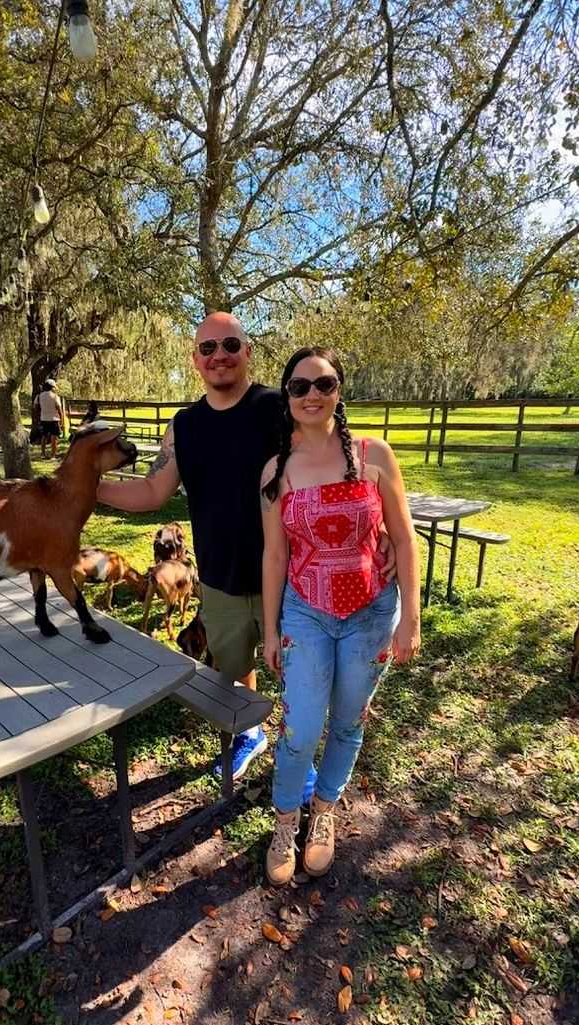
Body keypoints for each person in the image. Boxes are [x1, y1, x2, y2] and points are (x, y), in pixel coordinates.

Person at [97, 312, 396, 789]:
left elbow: (341, 467)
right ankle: (252, 736)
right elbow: (154, 491)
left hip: (295, 581)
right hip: (220, 579)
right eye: (208, 348)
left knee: (303, 682)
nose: (220, 356)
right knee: (236, 672)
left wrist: (382, 532)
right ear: (194, 359)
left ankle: (298, 758)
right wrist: (88, 489)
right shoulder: (184, 427)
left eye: (230, 345)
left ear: (248, 352)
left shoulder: (284, 406)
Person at [260, 347, 420, 886]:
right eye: (300, 386)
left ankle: (324, 811)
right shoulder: (276, 470)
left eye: (323, 384)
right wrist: (269, 631)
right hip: (305, 612)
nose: (312, 395)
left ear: (339, 390)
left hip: (371, 612)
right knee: (302, 724)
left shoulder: (374, 454)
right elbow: (275, 556)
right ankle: (287, 819)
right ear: (287, 396)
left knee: (348, 722)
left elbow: (403, 537)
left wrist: (410, 620)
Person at [34, 379, 64, 459]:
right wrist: (62, 420)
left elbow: (36, 408)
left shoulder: (39, 396)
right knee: (54, 438)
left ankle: (43, 454)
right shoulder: (55, 396)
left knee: (44, 437)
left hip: (43, 419)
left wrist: (38, 418)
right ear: (52, 387)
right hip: (54, 419)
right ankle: (53, 455)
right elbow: (59, 409)